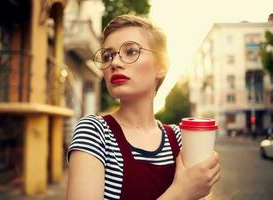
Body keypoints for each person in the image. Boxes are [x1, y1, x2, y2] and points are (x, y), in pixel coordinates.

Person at [66, 14, 220, 200]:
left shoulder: (180, 139)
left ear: (161, 66)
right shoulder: (95, 132)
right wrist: (181, 193)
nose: (114, 63)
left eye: (131, 51)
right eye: (108, 56)